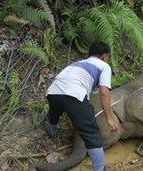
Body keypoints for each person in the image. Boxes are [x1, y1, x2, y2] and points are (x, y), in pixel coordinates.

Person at [44, 42, 119, 171]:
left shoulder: (78, 63)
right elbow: (104, 92)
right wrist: (109, 118)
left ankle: (52, 128)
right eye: (108, 57)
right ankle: (99, 169)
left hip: (52, 92)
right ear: (104, 56)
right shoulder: (104, 66)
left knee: (55, 111)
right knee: (92, 135)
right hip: (73, 95)